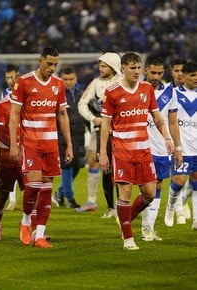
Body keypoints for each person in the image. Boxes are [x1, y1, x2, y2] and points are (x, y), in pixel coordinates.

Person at [99, 52, 174, 250]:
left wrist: (167, 137)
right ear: (123, 68)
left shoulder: (146, 89)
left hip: (143, 151)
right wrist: (103, 152)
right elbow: (106, 124)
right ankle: (128, 238)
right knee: (124, 193)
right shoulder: (112, 91)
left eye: (138, 68)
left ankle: (126, 218)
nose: (136, 71)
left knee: (149, 193)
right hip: (122, 151)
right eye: (132, 68)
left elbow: (157, 117)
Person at [9, 47, 73, 248]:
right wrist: (13, 144)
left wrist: (68, 144)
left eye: (55, 64)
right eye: (49, 64)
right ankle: (26, 221)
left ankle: (40, 235)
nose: (52, 68)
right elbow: (14, 115)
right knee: (34, 185)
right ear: (40, 61)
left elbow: (62, 115)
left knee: (46, 190)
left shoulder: (58, 85)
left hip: (51, 144)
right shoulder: (24, 82)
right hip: (31, 143)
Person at [141, 56, 182, 241]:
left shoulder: (170, 92)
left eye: (159, 73)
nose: (156, 76)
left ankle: (148, 227)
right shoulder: (138, 90)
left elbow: (172, 122)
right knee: (144, 187)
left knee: (157, 185)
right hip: (140, 145)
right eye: (152, 72)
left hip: (161, 148)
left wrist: (178, 146)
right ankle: (134, 221)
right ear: (145, 71)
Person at [77, 52, 122, 217]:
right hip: (102, 132)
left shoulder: (122, 82)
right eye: (100, 65)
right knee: (106, 168)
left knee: (122, 171)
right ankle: (111, 208)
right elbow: (82, 104)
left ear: (113, 66)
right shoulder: (96, 83)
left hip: (121, 133)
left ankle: (122, 206)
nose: (100, 68)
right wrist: (93, 118)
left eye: (104, 66)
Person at [0, 68, 25, 241]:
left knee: (33, 192)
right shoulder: (2, 104)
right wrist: (14, 146)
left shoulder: (29, 102)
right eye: (10, 78)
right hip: (8, 155)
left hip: (28, 154)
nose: (13, 81)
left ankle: (31, 228)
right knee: (2, 194)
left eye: (16, 78)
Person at [164, 60, 197, 230]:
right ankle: (170, 207)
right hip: (182, 147)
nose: (196, 78)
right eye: (192, 75)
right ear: (183, 77)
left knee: (196, 181)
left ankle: (196, 220)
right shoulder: (173, 93)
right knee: (178, 180)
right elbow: (169, 120)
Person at [52, 66, 87, 209]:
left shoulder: (82, 94)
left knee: (78, 165)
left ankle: (59, 193)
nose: (68, 82)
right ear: (61, 80)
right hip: (63, 136)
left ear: (76, 79)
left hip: (79, 135)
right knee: (66, 166)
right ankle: (70, 198)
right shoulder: (57, 94)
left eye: (71, 79)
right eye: (65, 79)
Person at [0, 64, 20, 211]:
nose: (9, 80)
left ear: (17, 75)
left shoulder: (24, 89)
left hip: (25, 134)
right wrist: (0, 136)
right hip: (11, 135)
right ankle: (12, 201)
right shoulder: (4, 93)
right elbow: (3, 115)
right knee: (12, 167)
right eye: (7, 77)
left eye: (11, 76)